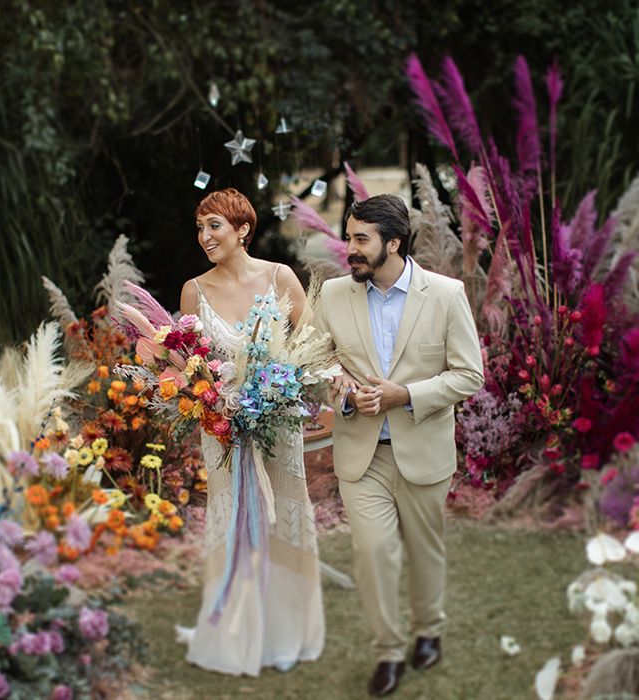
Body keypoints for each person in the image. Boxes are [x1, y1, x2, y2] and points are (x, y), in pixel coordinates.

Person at [312, 194, 483, 697]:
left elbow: (469, 374)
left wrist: (405, 394)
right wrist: (344, 395)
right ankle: (388, 652)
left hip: (423, 452)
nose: (351, 249)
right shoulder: (334, 296)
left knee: (425, 552)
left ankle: (429, 629)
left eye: (361, 239)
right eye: (349, 237)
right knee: (372, 553)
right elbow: (317, 365)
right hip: (361, 457)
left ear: (394, 242)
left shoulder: (447, 295)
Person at [177, 188, 325, 676]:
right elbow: (188, 363)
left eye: (214, 225)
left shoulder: (279, 277)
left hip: (277, 417)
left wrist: (285, 388)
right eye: (200, 227)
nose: (204, 236)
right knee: (230, 511)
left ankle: (285, 629)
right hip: (221, 424)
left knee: (286, 507)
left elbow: (311, 344)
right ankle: (236, 627)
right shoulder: (193, 291)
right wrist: (208, 397)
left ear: (242, 230)